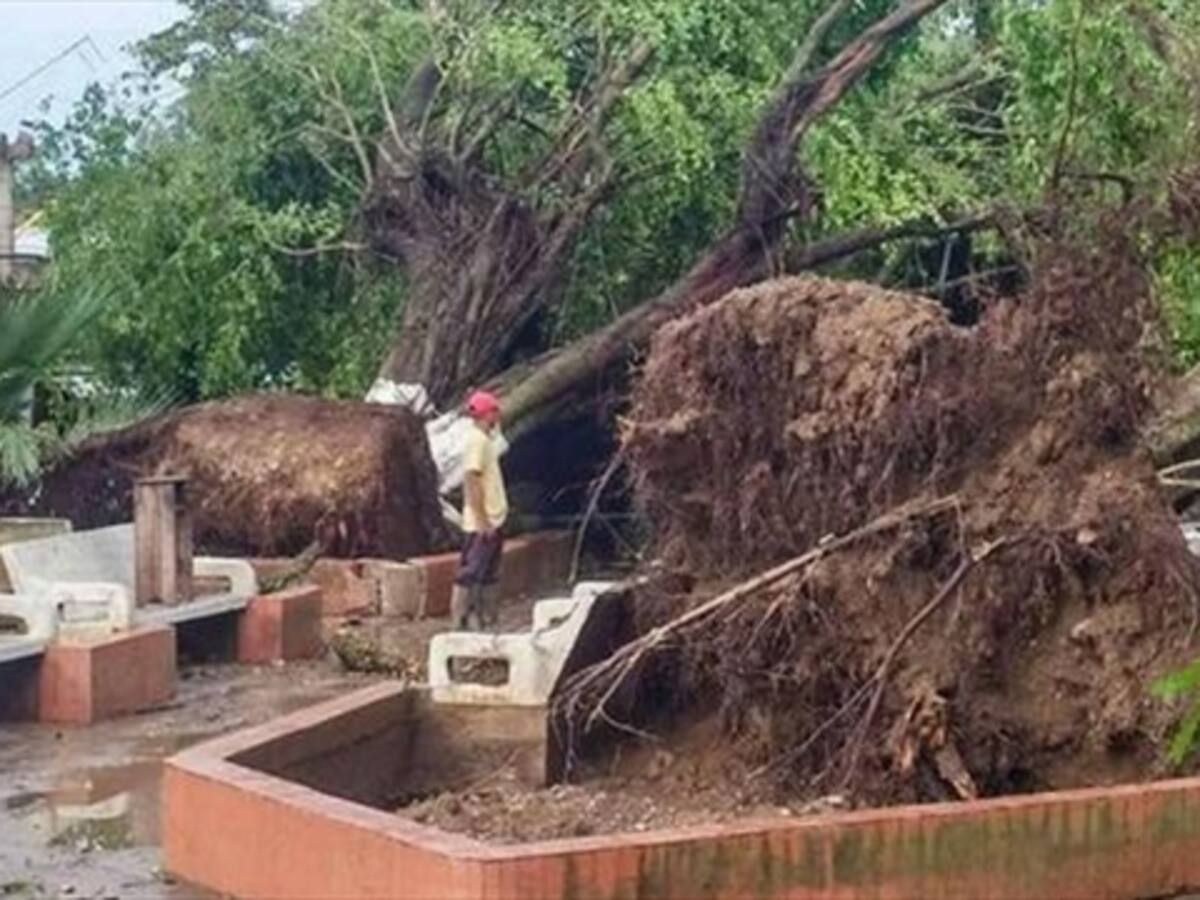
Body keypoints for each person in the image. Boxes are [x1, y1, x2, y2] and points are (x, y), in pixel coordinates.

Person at [450, 389, 508, 630]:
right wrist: (483, 520)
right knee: (471, 572)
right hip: (481, 523)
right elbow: (472, 480)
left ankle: (486, 620)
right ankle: (460, 621)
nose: (498, 416)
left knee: (488, 572)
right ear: (488, 414)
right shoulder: (476, 441)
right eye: (495, 411)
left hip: (493, 520)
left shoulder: (485, 441)